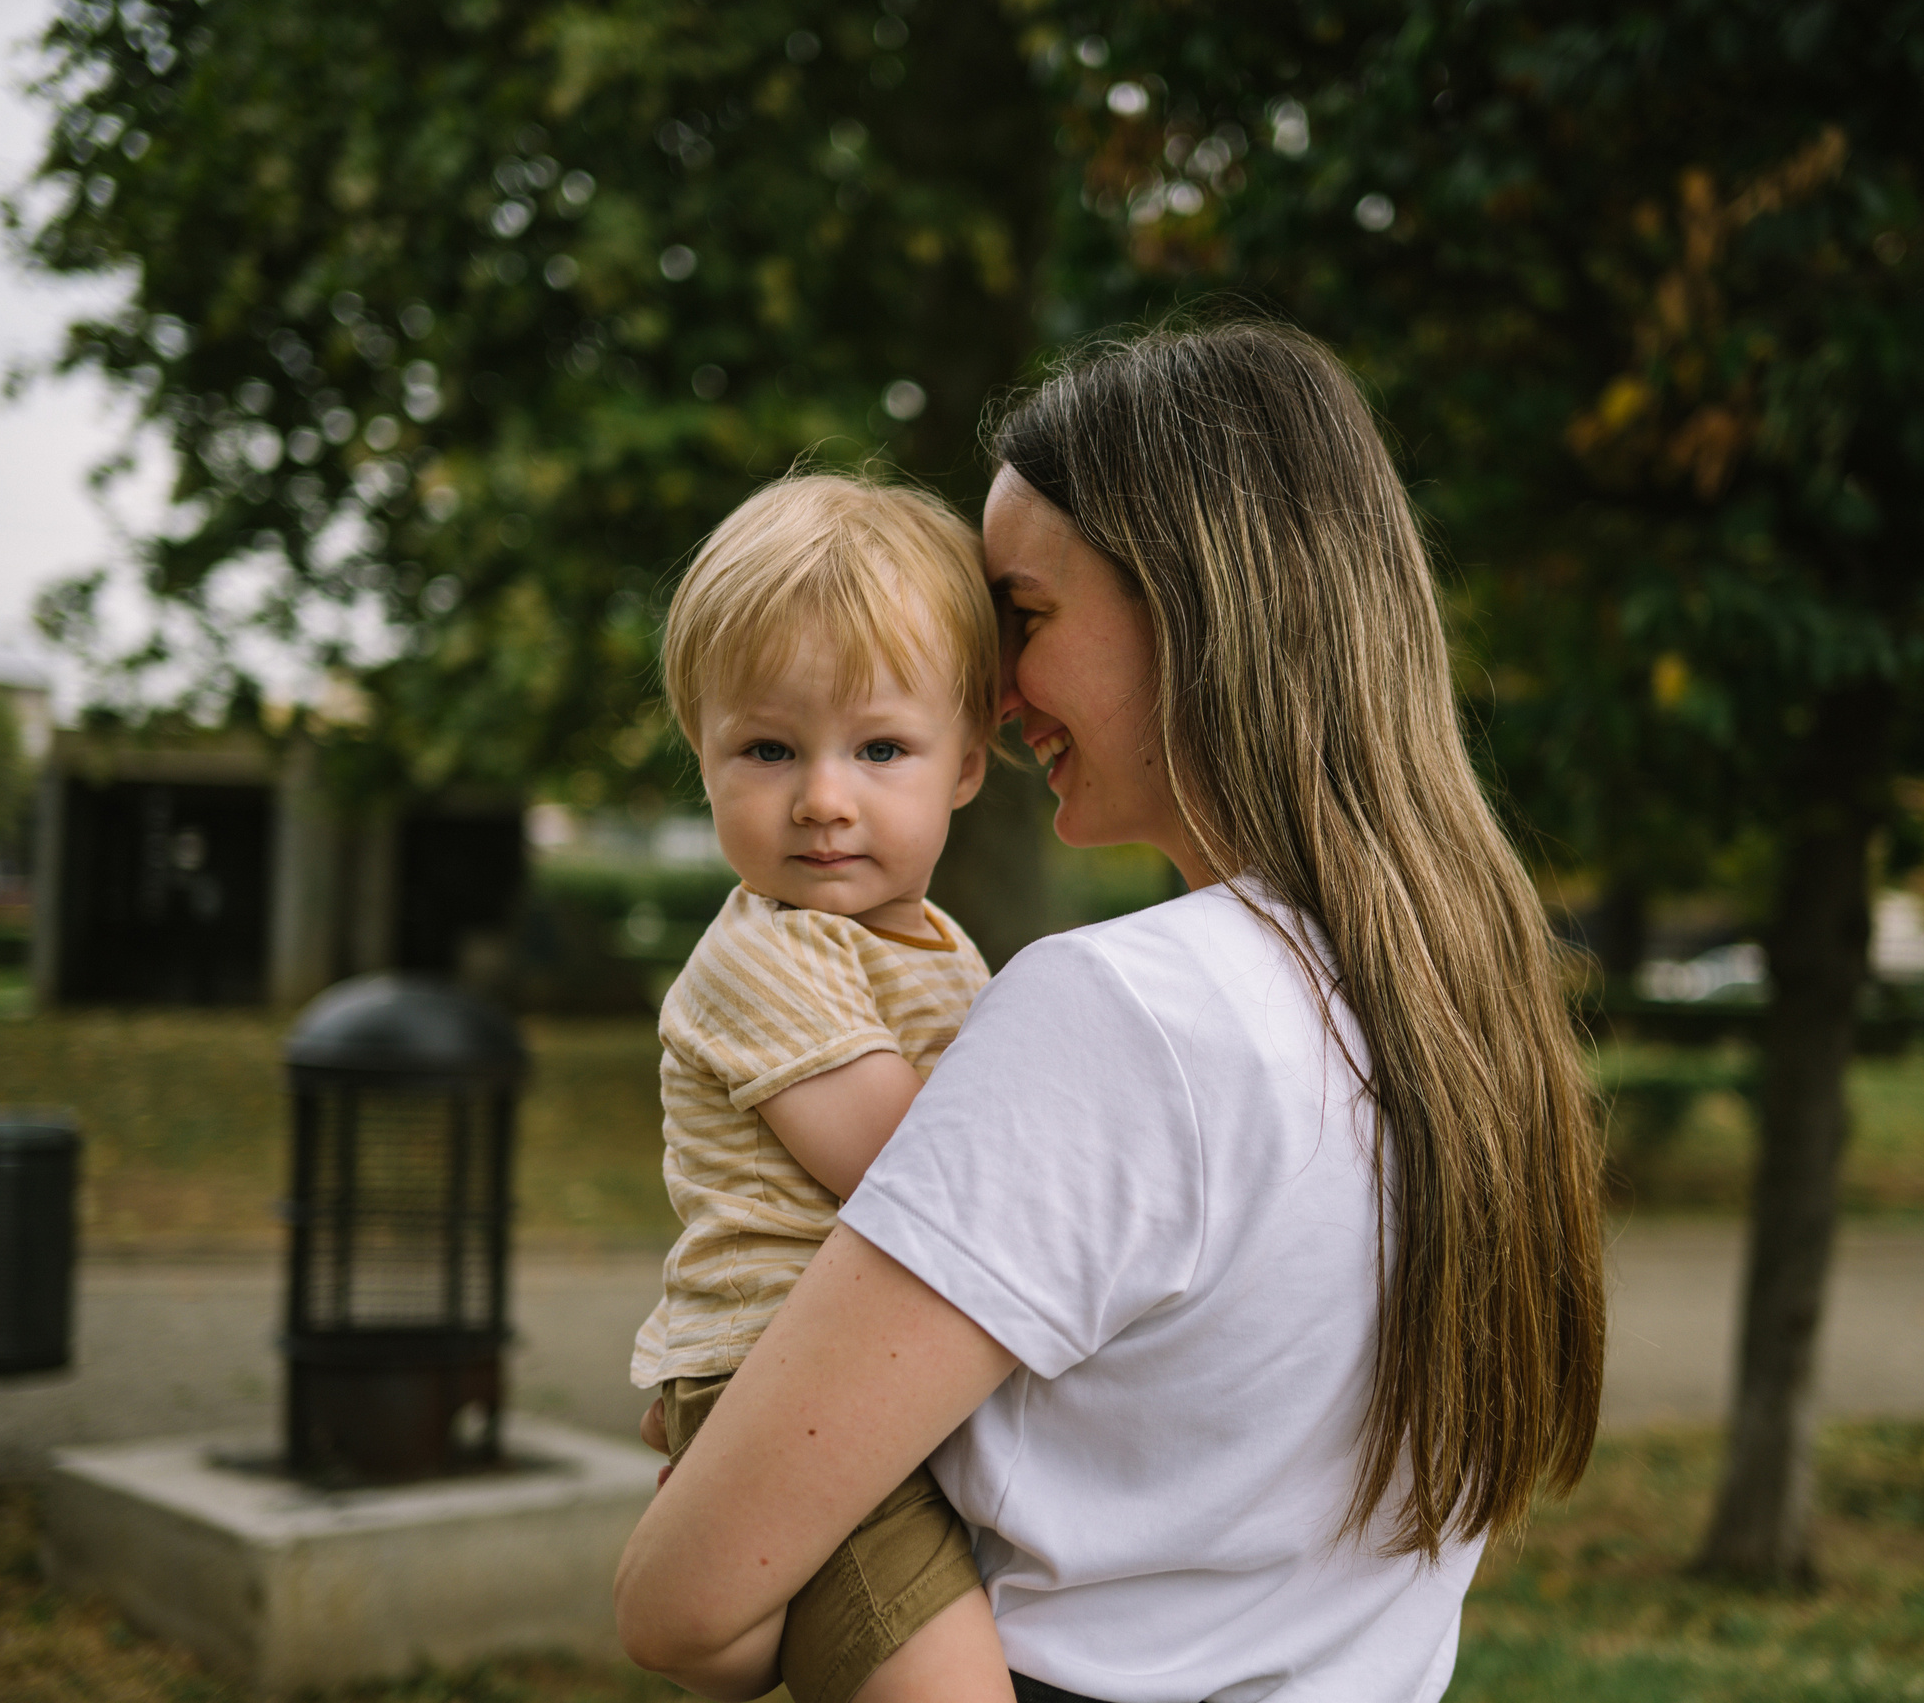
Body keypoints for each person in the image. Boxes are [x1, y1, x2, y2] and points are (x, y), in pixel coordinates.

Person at [616, 321, 1609, 1703]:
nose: (998, 691)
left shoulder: (1125, 1012)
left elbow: (681, 1601)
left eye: (1021, 617)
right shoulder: (1454, 1005)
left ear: (1191, 599)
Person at [629, 472, 1016, 1703]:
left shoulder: (937, 941)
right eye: (768, 748)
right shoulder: (766, 953)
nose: (823, 800)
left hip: (884, 1376)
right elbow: (911, 1170)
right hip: (778, 1391)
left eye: (881, 748)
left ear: (969, 761)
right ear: (703, 755)